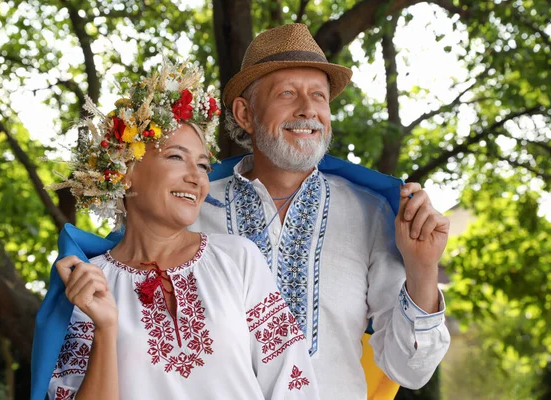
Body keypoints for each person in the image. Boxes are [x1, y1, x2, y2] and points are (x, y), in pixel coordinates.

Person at [188, 23, 451, 399]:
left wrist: (422, 268)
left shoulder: (372, 214)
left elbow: (410, 369)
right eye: (287, 93)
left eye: (319, 96)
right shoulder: (191, 209)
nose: (308, 109)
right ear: (245, 113)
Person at [31, 59, 320, 400]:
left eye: (202, 164)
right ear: (126, 171)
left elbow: (291, 380)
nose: (197, 177)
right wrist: (106, 330)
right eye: (175, 157)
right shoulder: (90, 286)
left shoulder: (237, 259)